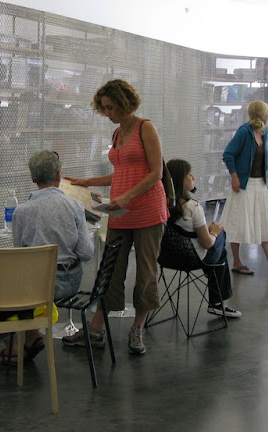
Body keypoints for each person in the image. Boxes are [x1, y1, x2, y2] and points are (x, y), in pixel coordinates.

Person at [63, 79, 168, 356]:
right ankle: (96, 328)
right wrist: (88, 182)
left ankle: (137, 329)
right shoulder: (117, 133)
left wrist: (128, 196)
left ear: (123, 103)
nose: (107, 113)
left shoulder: (145, 128)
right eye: (104, 108)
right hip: (120, 213)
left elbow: (156, 172)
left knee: (146, 272)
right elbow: (122, 171)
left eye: (110, 107)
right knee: (110, 270)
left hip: (147, 213)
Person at [1, 150, 94, 363]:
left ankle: (16, 343)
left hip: (37, 286)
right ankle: (31, 335)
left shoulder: (21, 212)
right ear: (59, 175)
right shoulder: (75, 207)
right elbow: (86, 252)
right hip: (71, 282)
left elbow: (20, 256)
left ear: (33, 178)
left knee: (0, 285)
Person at [220, 100, 268, 278]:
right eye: (267, 112)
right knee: (238, 221)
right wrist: (235, 177)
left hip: (259, 184)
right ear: (260, 113)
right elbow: (228, 153)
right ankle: (236, 261)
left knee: (265, 221)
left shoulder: (263, 132)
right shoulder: (244, 132)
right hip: (245, 184)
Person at [166, 159, 241, 318]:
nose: (193, 177)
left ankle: (216, 294)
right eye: (189, 175)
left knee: (217, 248)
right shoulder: (192, 207)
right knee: (220, 240)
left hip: (167, 257)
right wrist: (214, 232)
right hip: (192, 258)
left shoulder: (161, 204)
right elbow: (207, 244)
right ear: (180, 180)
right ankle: (217, 302)